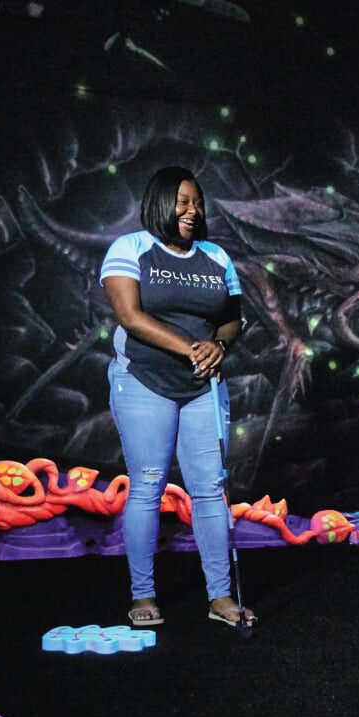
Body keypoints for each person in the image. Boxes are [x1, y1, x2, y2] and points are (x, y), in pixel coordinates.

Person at [100, 165, 254, 628]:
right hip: (144, 381)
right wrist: (190, 348)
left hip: (203, 387)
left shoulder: (216, 256)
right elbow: (129, 315)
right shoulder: (130, 248)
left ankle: (220, 597)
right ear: (161, 203)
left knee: (209, 491)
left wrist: (220, 345)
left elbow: (232, 318)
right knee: (147, 486)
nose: (192, 210)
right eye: (183, 201)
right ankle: (143, 593)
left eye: (198, 202)